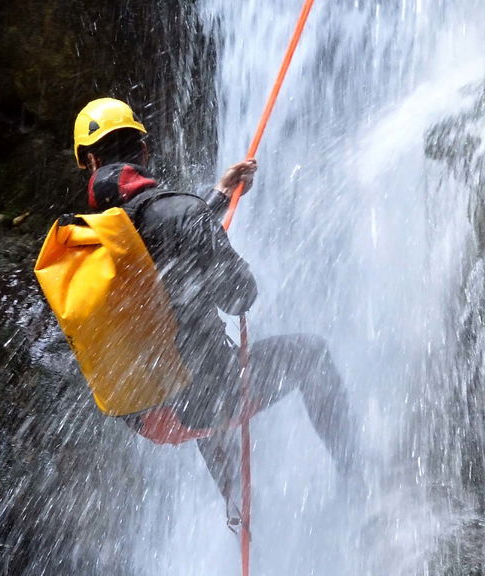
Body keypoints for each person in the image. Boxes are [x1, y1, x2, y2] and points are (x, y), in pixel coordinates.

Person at [67, 97, 357, 532]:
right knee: (307, 355)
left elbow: (159, 238)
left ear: (90, 162)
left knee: (191, 370)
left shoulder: (92, 236)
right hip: (199, 405)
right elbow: (240, 297)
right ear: (143, 153)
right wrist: (210, 236)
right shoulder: (181, 214)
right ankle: (361, 478)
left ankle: (238, 507)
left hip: (143, 413)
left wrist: (217, 200)